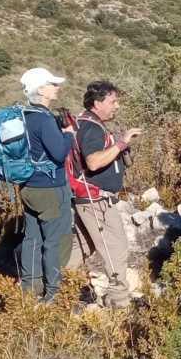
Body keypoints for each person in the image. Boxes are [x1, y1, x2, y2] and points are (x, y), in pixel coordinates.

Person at [68, 80, 141, 308]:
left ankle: (54, 285)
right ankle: (119, 302)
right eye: (113, 101)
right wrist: (121, 144)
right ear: (97, 103)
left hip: (87, 199)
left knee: (82, 245)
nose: (116, 106)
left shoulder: (86, 123)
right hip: (95, 200)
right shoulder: (91, 127)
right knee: (116, 248)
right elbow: (94, 161)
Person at [17, 66, 75, 301]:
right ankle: (54, 294)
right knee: (55, 240)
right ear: (41, 90)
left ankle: (29, 291)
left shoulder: (22, 115)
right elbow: (60, 153)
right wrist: (69, 134)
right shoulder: (44, 118)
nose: (57, 88)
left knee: (32, 238)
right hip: (50, 189)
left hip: (28, 186)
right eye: (52, 84)